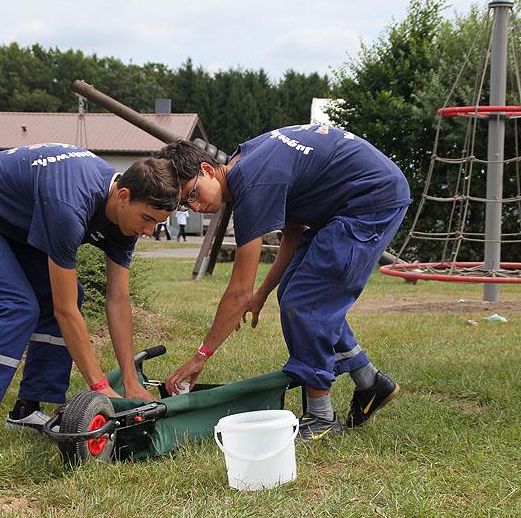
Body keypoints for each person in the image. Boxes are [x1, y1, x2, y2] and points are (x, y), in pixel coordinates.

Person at [0, 143, 179, 460]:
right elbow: (65, 311)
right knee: (17, 306)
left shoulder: (126, 219)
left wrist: (130, 380)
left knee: (62, 296)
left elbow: (118, 300)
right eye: (146, 219)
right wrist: (100, 387)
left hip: (11, 224)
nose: (149, 230)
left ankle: (27, 411)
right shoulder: (69, 207)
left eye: (158, 223)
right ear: (123, 196)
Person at [157, 125, 412, 442]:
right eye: (185, 204)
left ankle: (320, 416)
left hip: (371, 199)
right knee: (295, 292)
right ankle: (370, 381)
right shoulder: (245, 160)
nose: (195, 207)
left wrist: (200, 357)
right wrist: (263, 294)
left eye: (192, 194)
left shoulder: (252, 182)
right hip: (348, 200)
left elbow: (237, 293)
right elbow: (293, 231)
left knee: (306, 302)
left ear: (207, 169)